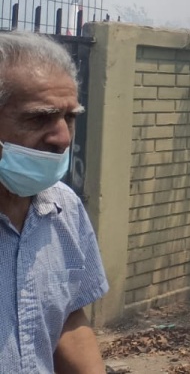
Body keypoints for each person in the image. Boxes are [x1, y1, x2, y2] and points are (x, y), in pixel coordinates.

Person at [0, 31, 108, 372]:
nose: (62, 137)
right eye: (39, 117)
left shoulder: (64, 208)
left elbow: (68, 318)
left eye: (70, 117)